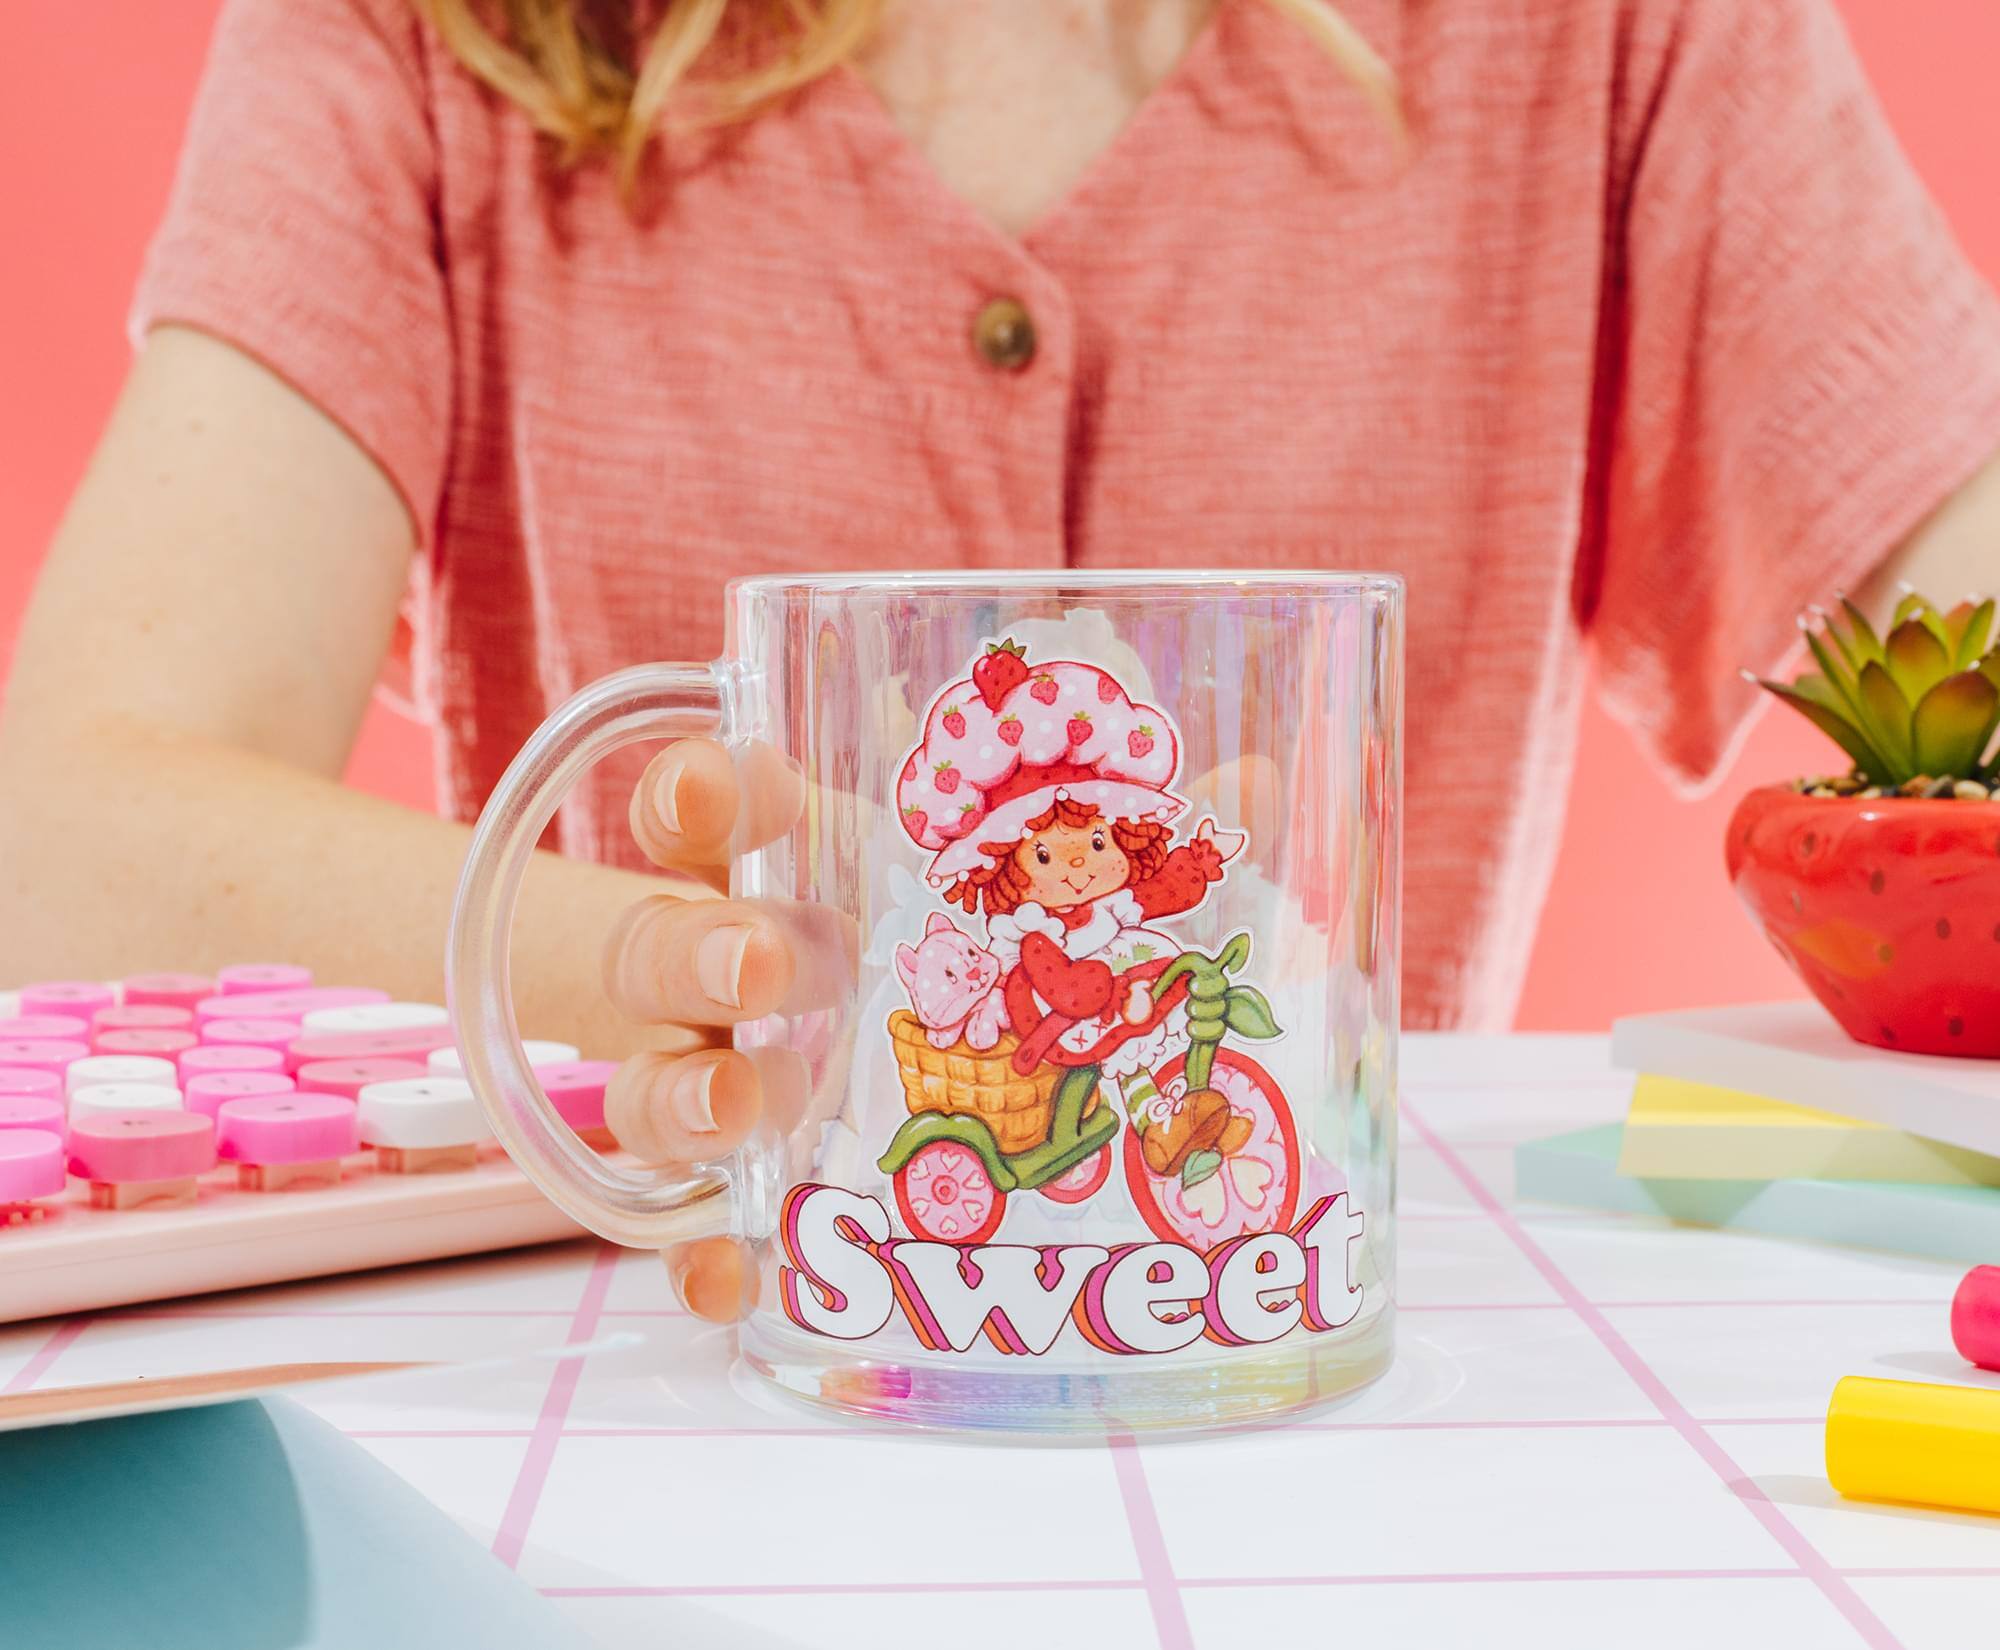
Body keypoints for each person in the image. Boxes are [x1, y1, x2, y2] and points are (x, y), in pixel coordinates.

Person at [2, 0, 1997, 1318]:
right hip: (701, 1380)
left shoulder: (1608, 33)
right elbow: (62, 847)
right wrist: (686, 972)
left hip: (1294, 1372)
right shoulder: (429, 39)